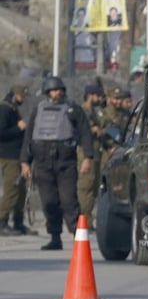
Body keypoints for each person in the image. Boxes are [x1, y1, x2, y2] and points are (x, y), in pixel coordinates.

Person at [20, 77, 95, 250]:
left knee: (69, 201)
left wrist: (88, 158)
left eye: (60, 89)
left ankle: (79, 237)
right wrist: (25, 162)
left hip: (65, 163)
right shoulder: (38, 110)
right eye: (54, 90)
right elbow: (29, 137)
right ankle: (55, 237)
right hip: (42, 163)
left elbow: (85, 133)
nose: (58, 92)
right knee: (49, 202)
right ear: (48, 92)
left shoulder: (72, 109)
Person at [0, 84, 30, 235]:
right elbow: (2, 132)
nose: (23, 99)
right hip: (9, 156)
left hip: (18, 156)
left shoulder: (12, 108)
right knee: (11, 190)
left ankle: (18, 222)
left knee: (21, 191)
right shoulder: (5, 109)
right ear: (15, 95)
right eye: (22, 96)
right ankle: (2, 222)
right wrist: (18, 128)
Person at [76, 85, 107, 227]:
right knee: (85, 187)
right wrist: (92, 128)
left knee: (93, 188)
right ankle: (83, 220)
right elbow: (80, 127)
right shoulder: (83, 110)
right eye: (97, 96)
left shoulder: (94, 111)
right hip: (85, 152)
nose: (99, 99)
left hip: (95, 152)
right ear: (90, 96)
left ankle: (88, 219)